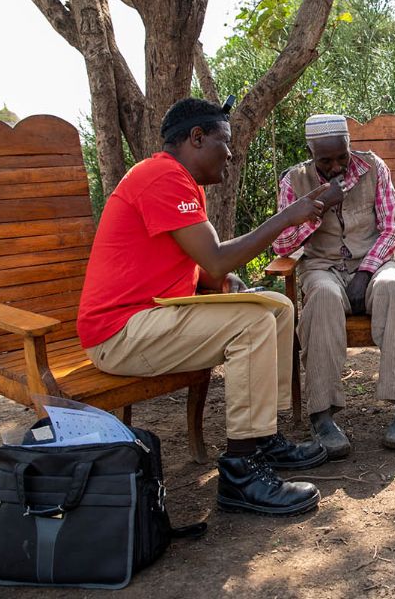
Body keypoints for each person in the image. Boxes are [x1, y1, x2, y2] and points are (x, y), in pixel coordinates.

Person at [77, 97, 330, 517]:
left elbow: (196, 264)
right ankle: (241, 472)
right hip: (118, 333)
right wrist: (288, 218)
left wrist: (217, 281)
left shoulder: (181, 182)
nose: (230, 153)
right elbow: (213, 255)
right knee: (252, 322)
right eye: (223, 142)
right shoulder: (159, 176)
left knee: (278, 306)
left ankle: (263, 437)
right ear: (196, 138)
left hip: (153, 316)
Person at [273, 114, 395, 458]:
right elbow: (282, 245)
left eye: (342, 156)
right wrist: (317, 209)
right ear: (311, 153)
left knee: (393, 290)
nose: (337, 166)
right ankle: (322, 416)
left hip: (375, 262)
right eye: (326, 160)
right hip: (322, 267)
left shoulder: (374, 168)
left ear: (348, 146)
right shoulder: (295, 180)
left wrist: (367, 272)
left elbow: (392, 231)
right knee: (322, 297)